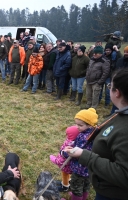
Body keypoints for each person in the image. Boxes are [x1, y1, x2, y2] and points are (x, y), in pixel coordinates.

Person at [64, 69, 128, 200]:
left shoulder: (125, 129)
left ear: (117, 93)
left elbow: (124, 174)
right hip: (105, 187)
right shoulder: (121, 114)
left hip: (113, 195)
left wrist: (85, 156)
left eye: (110, 86)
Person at [50, 126, 80, 192]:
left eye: (68, 134)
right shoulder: (76, 143)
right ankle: (68, 181)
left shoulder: (70, 145)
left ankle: (65, 186)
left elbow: (62, 160)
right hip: (71, 165)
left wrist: (54, 159)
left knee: (65, 174)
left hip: (66, 165)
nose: (66, 135)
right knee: (67, 174)